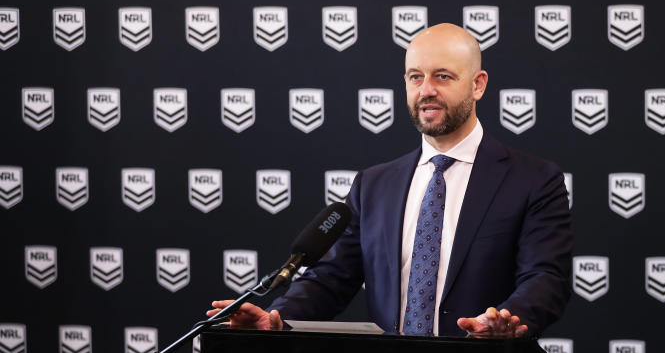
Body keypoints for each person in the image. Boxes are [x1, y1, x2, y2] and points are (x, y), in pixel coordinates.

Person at [207, 23, 572, 337]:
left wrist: (504, 322)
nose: (426, 89)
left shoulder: (534, 180)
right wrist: (278, 320)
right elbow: (331, 278)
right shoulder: (373, 186)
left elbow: (545, 279)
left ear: (478, 85)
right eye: (415, 77)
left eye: (442, 76)